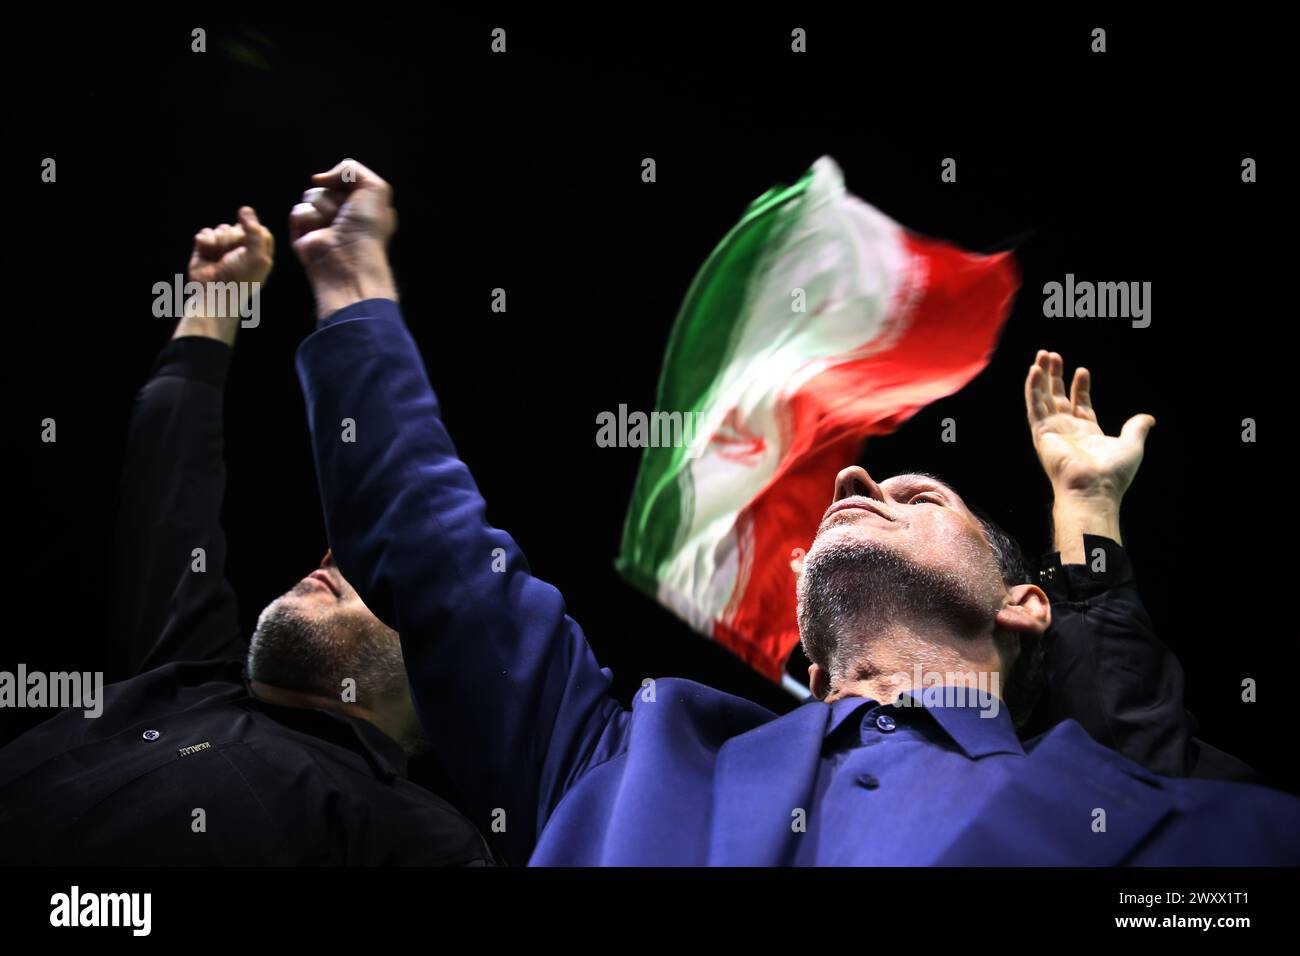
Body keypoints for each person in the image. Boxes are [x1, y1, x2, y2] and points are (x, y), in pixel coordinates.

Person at [291, 159, 1300, 866]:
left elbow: (1135, 723)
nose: (854, 482)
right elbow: (437, 559)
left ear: (1024, 604)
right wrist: (352, 287)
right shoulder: (622, 751)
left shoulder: (1156, 821)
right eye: (860, 484)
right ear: (812, 668)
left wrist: (1083, 509)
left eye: (915, 488)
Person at [0, 208, 494, 866]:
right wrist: (215, 300)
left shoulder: (421, 839)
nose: (334, 555)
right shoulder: (184, 671)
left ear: (445, 671)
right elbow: (168, 480)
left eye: (384, 571)